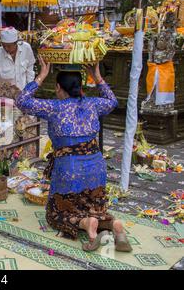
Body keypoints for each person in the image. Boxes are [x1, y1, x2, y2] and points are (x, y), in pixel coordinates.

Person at [16, 57, 132, 252]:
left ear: (59, 87)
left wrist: (41, 76)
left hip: (69, 169)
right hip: (95, 167)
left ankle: (88, 225)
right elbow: (113, 101)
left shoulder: (53, 107)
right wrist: (98, 77)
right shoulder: (93, 104)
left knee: (56, 213)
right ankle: (114, 225)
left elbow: (22, 101)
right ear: (80, 87)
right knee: (92, 206)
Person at [0, 27, 35, 99]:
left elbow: (30, 71)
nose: (6, 48)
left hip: (23, 94)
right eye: (3, 45)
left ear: (16, 43)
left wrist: (29, 92)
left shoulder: (26, 48)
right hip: (4, 96)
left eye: (9, 46)